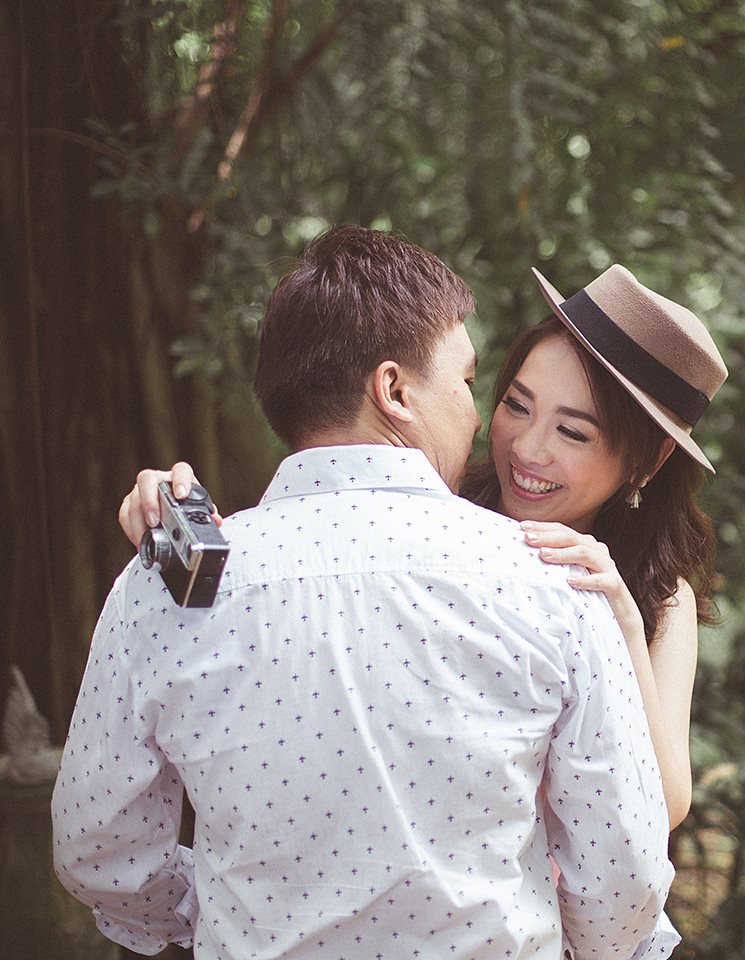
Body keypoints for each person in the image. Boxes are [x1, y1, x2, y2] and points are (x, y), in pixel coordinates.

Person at [55, 225, 678, 959]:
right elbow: (622, 887)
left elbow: (97, 848)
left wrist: (226, 918)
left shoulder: (169, 585)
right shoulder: (554, 587)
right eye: (473, 383)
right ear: (394, 390)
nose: (484, 421)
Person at [119, 263, 728, 833]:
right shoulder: (440, 502)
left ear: (648, 461)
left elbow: (665, 803)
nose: (526, 449)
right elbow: (300, 578)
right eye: (516, 404)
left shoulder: (657, 594)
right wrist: (172, 522)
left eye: (573, 431)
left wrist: (620, 621)